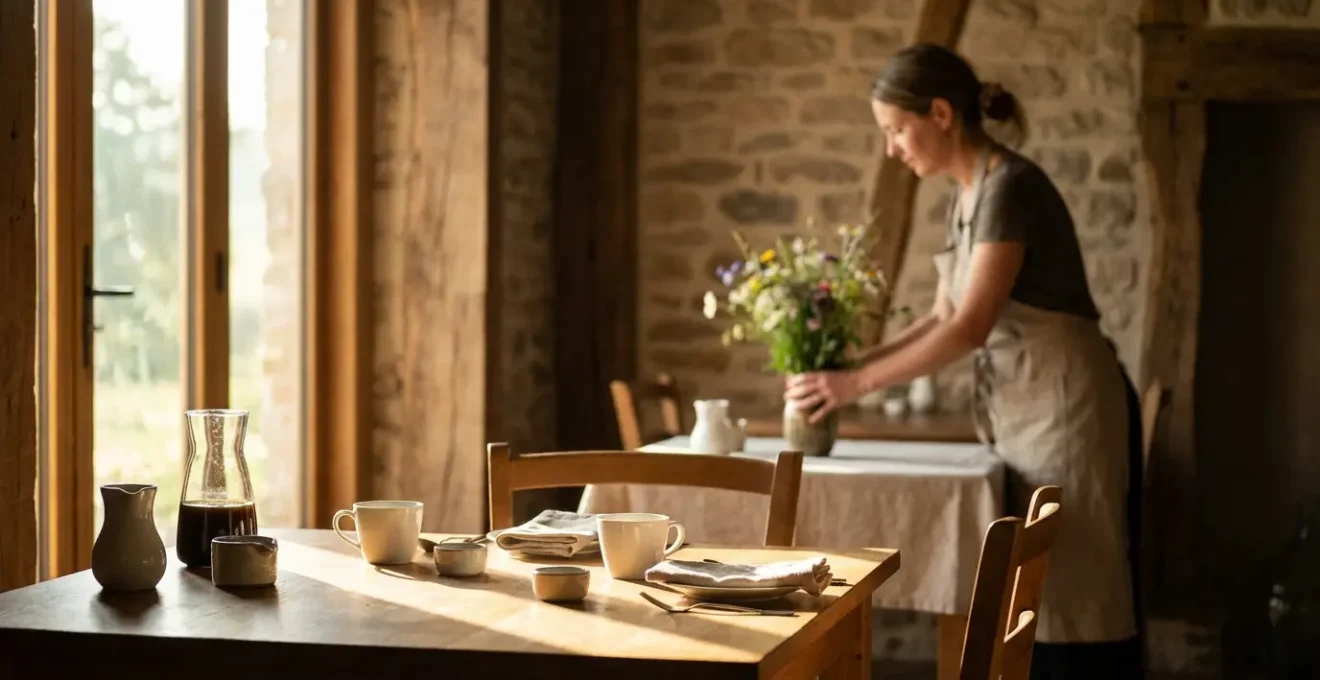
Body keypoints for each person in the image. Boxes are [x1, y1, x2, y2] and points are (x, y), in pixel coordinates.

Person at [784, 44, 1145, 679]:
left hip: (1067, 408)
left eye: (897, 130)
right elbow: (940, 317)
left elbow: (970, 327)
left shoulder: (1010, 188)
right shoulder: (967, 195)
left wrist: (854, 384)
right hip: (1027, 404)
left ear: (942, 114)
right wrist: (847, 368)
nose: (891, 149)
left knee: (1076, 589)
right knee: (1039, 594)